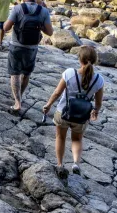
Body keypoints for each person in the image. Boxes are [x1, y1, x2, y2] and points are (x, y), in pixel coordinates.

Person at [41, 46, 105, 177]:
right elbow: (98, 103)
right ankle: (75, 163)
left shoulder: (69, 73)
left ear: (79, 59)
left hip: (63, 112)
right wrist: (95, 111)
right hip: (82, 116)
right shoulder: (99, 80)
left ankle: (60, 164)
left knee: (60, 137)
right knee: (77, 139)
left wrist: (48, 105)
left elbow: (57, 92)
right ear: (95, 61)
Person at [3, 0, 53, 114]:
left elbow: (6, 28)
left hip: (16, 45)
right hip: (32, 47)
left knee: (15, 73)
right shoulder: (43, 11)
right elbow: (50, 32)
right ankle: (20, 96)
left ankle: (17, 102)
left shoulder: (18, 8)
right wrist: (40, 26)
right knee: (26, 74)